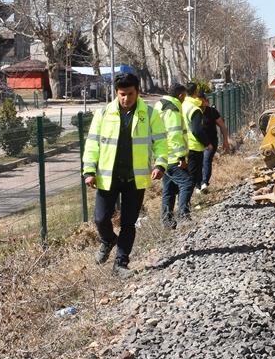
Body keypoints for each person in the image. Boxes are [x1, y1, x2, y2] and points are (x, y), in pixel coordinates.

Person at [82, 73, 168, 272]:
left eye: (130, 94)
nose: (126, 99)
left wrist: (160, 164)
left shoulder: (149, 114)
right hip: (107, 177)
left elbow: (161, 142)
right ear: (116, 93)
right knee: (101, 218)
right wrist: (89, 170)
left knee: (128, 223)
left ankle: (121, 263)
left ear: (137, 92)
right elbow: (92, 143)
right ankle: (108, 240)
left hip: (134, 178)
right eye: (122, 94)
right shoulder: (103, 114)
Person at [157, 83, 194, 227]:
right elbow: (174, 134)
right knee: (187, 183)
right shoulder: (172, 109)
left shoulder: (160, 105)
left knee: (169, 189)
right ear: (180, 95)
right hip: (173, 157)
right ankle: (183, 215)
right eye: (184, 96)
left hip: (162, 156)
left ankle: (167, 220)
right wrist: (180, 157)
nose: (184, 99)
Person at [199, 93, 230, 191]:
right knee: (198, 163)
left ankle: (204, 183)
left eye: (202, 101)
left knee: (206, 160)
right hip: (198, 143)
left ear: (206, 101)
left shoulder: (212, 112)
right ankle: (198, 184)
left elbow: (223, 126)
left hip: (211, 142)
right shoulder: (193, 112)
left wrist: (225, 141)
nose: (200, 104)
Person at [181, 82, 207, 192]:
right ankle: (188, 201)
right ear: (196, 92)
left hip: (182, 144)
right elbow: (197, 130)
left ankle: (188, 198)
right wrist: (207, 143)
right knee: (193, 174)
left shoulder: (181, 105)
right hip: (194, 145)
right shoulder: (194, 108)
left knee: (188, 173)